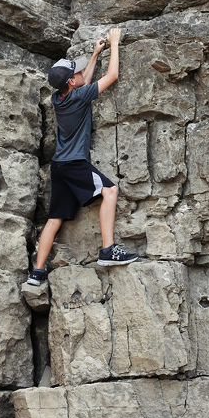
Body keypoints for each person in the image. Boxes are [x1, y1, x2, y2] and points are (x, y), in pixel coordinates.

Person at [27, 28, 138, 286]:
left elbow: (83, 81)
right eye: (75, 72)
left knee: (55, 219)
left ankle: (37, 272)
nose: (79, 73)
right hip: (75, 163)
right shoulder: (78, 96)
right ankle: (108, 249)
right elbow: (112, 76)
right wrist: (115, 43)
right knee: (109, 191)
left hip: (59, 166)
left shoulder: (58, 97)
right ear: (71, 83)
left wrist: (96, 54)